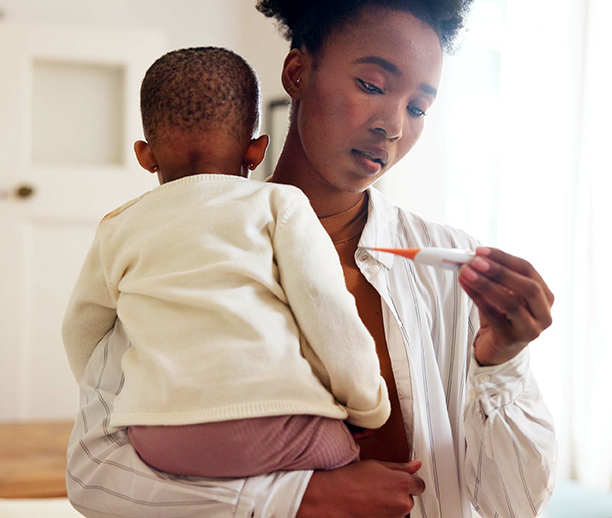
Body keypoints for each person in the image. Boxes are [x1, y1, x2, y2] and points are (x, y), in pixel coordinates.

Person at [65, 1, 558, 517]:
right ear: (298, 73)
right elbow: (95, 472)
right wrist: (293, 501)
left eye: (417, 109)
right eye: (371, 85)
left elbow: (513, 502)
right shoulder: (179, 246)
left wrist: (504, 361)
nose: (392, 126)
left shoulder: (446, 274)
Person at [62, 47, 390, 479]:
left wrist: (128, 394)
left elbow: (81, 330)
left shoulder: (119, 226)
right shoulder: (280, 204)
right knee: (353, 472)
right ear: (256, 151)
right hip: (272, 421)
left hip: (159, 438)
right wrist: (367, 406)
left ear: (145, 155)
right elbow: (327, 310)